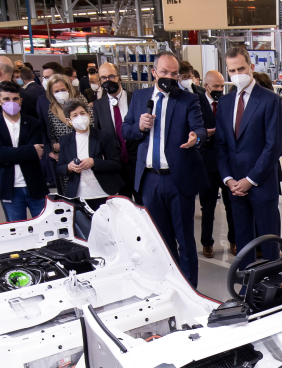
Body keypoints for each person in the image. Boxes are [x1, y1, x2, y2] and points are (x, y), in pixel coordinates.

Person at [119, 51, 208, 286]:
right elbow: (125, 130)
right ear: (154, 73)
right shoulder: (139, 98)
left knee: (184, 239)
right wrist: (139, 126)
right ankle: (170, 283)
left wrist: (195, 138)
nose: (170, 77)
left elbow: (200, 129)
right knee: (160, 239)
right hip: (149, 179)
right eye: (165, 72)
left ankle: (190, 287)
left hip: (177, 178)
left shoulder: (188, 99)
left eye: (174, 73)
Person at [216, 46, 282, 268]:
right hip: (235, 185)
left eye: (241, 68)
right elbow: (221, 145)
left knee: (269, 241)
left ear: (252, 68)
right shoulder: (225, 103)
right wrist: (228, 179)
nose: (237, 74)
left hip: (261, 183)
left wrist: (250, 180)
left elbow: (273, 146)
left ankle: (273, 282)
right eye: (232, 70)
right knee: (243, 239)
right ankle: (247, 284)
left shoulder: (269, 100)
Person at [0, 80, 49, 222]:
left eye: (15, 99)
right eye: (6, 99)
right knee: (18, 231)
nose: (11, 102)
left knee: (45, 228)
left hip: (35, 185)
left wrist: (9, 154)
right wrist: (29, 151)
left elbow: (38, 153)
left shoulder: (33, 123)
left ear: (21, 100)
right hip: (10, 189)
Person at [55, 97, 124, 209]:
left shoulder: (103, 136)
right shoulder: (65, 140)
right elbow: (59, 167)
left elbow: (116, 163)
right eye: (75, 115)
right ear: (69, 121)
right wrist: (69, 167)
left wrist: (94, 162)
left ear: (88, 114)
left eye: (82, 113)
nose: (80, 117)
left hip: (103, 191)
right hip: (78, 194)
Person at [198, 69, 235, 258]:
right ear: (206, 86)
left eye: (222, 86)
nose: (220, 89)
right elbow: (194, 131)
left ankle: (234, 240)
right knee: (208, 206)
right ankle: (207, 243)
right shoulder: (197, 104)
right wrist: (207, 133)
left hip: (226, 162)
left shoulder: (227, 103)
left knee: (231, 204)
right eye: (216, 86)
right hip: (207, 163)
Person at [94, 61, 137, 199]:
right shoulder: (98, 105)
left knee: (144, 203)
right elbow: (98, 133)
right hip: (116, 164)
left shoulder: (135, 98)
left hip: (138, 161)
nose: (108, 80)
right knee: (123, 204)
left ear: (119, 77)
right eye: (104, 78)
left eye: (111, 76)